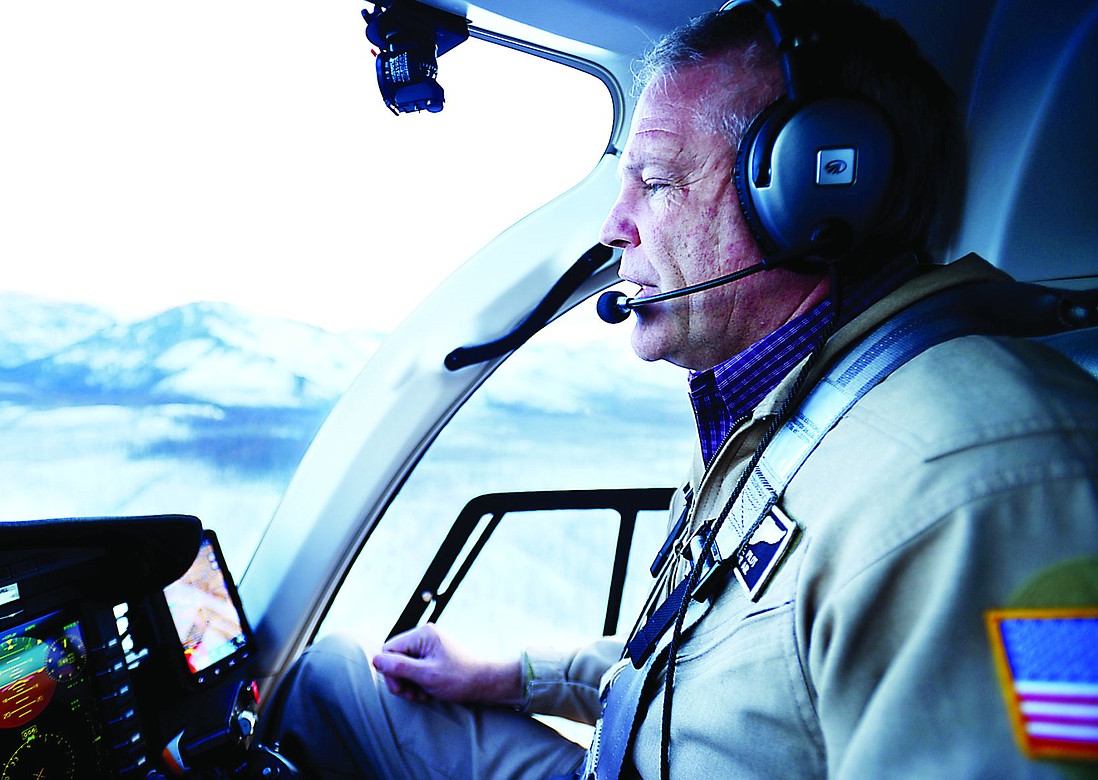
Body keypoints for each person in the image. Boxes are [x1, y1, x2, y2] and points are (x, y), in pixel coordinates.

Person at [273, 0, 1098, 777]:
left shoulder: (976, 487)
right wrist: (514, 674)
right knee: (331, 681)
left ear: (815, 192)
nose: (613, 226)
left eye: (657, 182)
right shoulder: (787, 414)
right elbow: (713, 683)